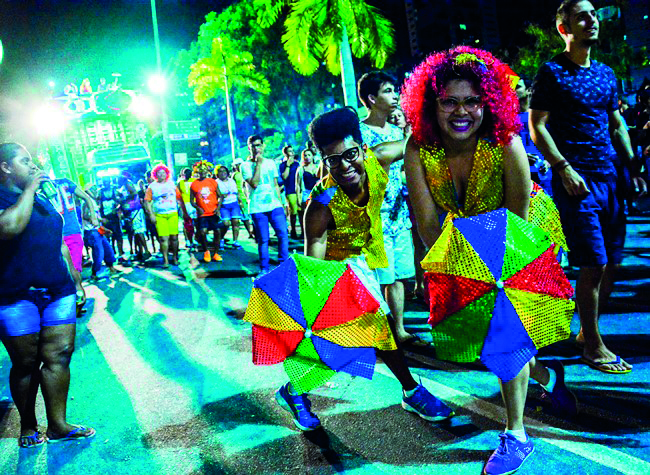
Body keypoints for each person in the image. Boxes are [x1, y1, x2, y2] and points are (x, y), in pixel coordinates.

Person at [402, 47, 578, 475]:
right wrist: (444, 267)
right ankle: (542, 378)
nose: (461, 112)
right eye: (449, 101)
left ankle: (515, 434)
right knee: (491, 336)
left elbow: (516, 226)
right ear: (431, 104)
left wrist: (488, 272)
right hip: (462, 240)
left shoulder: (506, 142)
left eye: (472, 101)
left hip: (523, 236)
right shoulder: (418, 146)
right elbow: (427, 225)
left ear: (488, 102)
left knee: (505, 329)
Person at [274, 107, 453, 432]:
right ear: (323, 161)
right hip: (335, 267)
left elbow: (416, 140)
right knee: (353, 337)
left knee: (367, 335)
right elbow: (313, 261)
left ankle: (295, 390)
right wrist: (313, 305)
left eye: (350, 154)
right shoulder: (321, 202)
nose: (344, 166)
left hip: (366, 256)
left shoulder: (380, 159)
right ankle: (409, 391)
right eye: (333, 160)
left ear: (363, 146)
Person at [529, 0, 647, 374]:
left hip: (610, 178)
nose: (591, 20)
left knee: (613, 260)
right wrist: (562, 168)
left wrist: (633, 167)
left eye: (594, 14)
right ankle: (593, 344)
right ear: (564, 28)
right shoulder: (551, 72)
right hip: (575, 181)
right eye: (582, 16)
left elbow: (617, 124)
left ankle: (585, 332)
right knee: (593, 262)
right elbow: (538, 126)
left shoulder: (606, 74)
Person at [0, 143, 95, 447]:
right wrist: (28, 191)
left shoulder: (42, 199)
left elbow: (59, 243)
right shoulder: (12, 198)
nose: (33, 165)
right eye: (24, 161)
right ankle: (29, 425)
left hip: (57, 290)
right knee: (25, 363)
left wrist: (76, 282)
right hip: (16, 295)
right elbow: (10, 227)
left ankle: (58, 425)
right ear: (5, 167)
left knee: (59, 356)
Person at [357, 71, 419, 346]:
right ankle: (386, 331)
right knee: (382, 276)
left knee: (401, 276)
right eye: (388, 91)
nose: (395, 96)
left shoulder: (397, 132)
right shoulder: (359, 133)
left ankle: (400, 328)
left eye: (396, 91)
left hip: (399, 213)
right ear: (372, 98)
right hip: (375, 216)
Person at [241, 135, 289, 275]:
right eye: (253, 145)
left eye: (259, 145)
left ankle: (284, 266)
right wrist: (258, 164)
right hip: (257, 207)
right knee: (263, 239)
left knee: (282, 234)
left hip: (274, 204)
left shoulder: (271, 163)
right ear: (249, 147)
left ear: (263, 146)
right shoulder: (245, 166)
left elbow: (275, 184)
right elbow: (254, 184)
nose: (257, 148)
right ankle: (264, 269)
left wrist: (282, 203)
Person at [144, 164, 183, 268]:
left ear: (166, 174)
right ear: (155, 175)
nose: (161, 175)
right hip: (160, 215)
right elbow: (147, 202)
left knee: (174, 237)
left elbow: (179, 198)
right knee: (163, 238)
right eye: (159, 173)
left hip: (172, 214)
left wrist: (182, 211)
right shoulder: (152, 187)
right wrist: (151, 214)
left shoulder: (172, 184)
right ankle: (165, 260)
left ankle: (175, 257)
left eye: (163, 173)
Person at [190, 160, 223, 263]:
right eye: (200, 172)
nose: (203, 173)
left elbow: (220, 196)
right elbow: (191, 201)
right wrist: (197, 208)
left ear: (207, 171)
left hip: (213, 212)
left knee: (217, 231)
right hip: (202, 214)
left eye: (204, 171)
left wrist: (218, 208)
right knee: (203, 232)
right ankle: (206, 251)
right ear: (197, 172)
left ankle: (216, 253)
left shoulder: (213, 182)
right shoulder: (194, 184)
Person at [216, 166, 244, 249]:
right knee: (226, 223)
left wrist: (240, 201)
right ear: (217, 174)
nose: (223, 173)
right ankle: (221, 238)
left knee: (236, 221)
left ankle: (235, 241)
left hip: (234, 203)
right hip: (223, 205)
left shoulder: (232, 181)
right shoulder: (216, 182)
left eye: (224, 171)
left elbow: (237, 192)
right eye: (220, 171)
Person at [295, 148, 320, 232]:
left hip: (318, 193)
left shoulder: (318, 167)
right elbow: (298, 185)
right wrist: (298, 197)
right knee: (308, 214)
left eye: (309, 155)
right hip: (306, 193)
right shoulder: (301, 169)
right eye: (305, 155)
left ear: (313, 156)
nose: (307, 157)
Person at [279, 145, 301, 239]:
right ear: (285, 153)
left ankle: (303, 231)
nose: (291, 153)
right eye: (289, 151)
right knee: (293, 211)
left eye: (292, 151)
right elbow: (284, 177)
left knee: (301, 210)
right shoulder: (283, 165)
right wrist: (288, 165)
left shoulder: (297, 164)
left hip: (299, 190)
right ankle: (293, 230)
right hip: (290, 190)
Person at [232, 159, 256, 240]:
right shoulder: (235, 175)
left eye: (239, 164)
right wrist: (239, 199)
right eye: (237, 165)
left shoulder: (247, 172)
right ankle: (250, 232)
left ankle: (254, 231)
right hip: (241, 198)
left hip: (249, 197)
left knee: (252, 216)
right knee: (245, 217)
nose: (238, 166)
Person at [177, 167, 196, 251]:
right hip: (185, 204)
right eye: (185, 173)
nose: (186, 175)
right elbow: (178, 196)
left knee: (195, 223)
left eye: (188, 173)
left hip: (194, 204)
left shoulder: (194, 181)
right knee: (186, 223)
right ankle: (187, 240)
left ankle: (194, 239)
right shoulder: (180, 183)